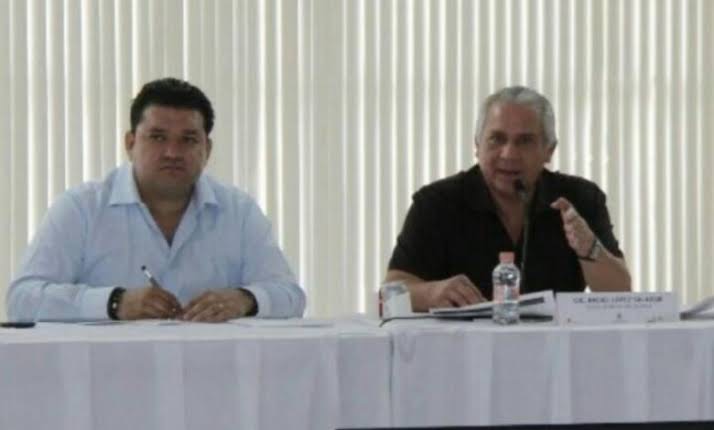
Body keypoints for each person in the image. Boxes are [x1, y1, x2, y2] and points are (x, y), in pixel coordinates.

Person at [7, 77, 305, 322]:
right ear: (130, 143)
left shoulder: (239, 212)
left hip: (212, 371)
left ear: (207, 149)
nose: (172, 152)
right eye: (158, 137)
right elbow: (22, 300)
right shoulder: (81, 208)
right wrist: (114, 303)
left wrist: (245, 300)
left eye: (188, 139)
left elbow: (290, 296)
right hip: (109, 372)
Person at [385, 86, 631, 312]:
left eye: (525, 141)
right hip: (462, 344)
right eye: (497, 139)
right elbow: (390, 292)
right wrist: (431, 293)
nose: (509, 154)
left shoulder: (580, 199)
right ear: (477, 145)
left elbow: (620, 295)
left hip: (556, 343)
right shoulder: (436, 203)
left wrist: (589, 248)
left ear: (549, 151)